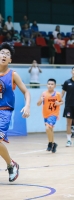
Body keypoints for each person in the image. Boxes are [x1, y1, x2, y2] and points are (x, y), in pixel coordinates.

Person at [0, 43, 30, 182]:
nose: (4, 55)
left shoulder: (13, 74)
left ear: (10, 60)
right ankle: (11, 164)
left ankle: (11, 165)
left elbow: (26, 92)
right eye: (2, 53)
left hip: (4, 112)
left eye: (7, 54)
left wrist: (27, 106)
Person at [37, 79, 63, 154]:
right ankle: (53, 144)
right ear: (46, 85)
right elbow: (38, 104)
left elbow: (62, 102)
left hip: (54, 114)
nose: (50, 85)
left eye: (52, 84)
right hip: (46, 114)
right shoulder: (44, 94)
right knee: (50, 130)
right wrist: (40, 100)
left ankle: (50, 143)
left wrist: (59, 103)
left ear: (54, 85)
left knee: (47, 128)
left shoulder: (57, 94)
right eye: (49, 84)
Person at [61, 66, 74, 147]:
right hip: (68, 105)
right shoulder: (67, 82)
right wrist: (59, 100)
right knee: (69, 123)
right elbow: (62, 93)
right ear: (71, 72)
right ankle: (69, 140)